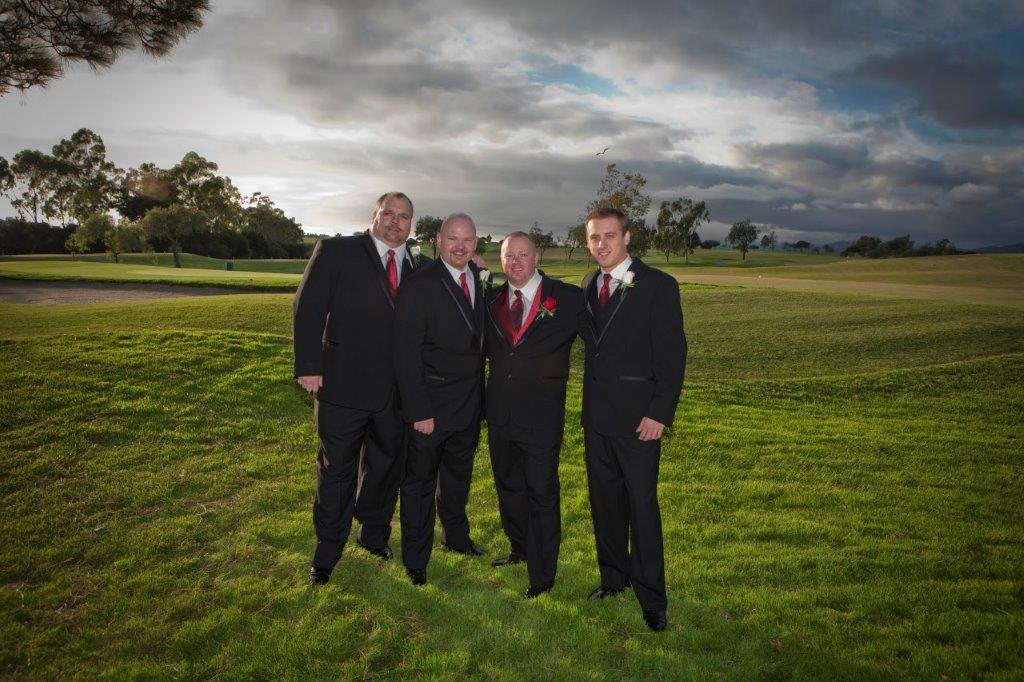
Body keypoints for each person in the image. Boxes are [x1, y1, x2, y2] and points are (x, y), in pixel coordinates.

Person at [293, 191, 425, 585]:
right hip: (341, 388)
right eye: (389, 214)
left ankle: (373, 535)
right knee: (337, 473)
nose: (395, 222)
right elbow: (308, 305)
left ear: (410, 225)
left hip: (394, 396)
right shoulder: (337, 251)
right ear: (374, 216)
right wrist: (308, 366)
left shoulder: (419, 267)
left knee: (385, 469)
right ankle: (327, 553)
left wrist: (473, 267)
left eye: (404, 217)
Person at [579, 207, 686, 632]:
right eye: (593, 237)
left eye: (609, 235)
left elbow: (673, 357)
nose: (601, 244)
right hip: (597, 418)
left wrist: (659, 412)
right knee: (605, 504)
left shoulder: (659, 286)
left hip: (640, 421)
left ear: (627, 237)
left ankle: (652, 596)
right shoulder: (588, 283)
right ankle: (613, 579)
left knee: (641, 508)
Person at [483, 231, 583, 598]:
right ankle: (519, 549)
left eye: (523, 255)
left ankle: (543, 575)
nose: (516, 262)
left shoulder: (567, 299)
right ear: (501, 260)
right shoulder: (490, 299)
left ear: (536, 257)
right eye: (509, 256)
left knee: (541, 492)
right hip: (500, 414)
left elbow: (604, 340)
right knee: (509, 487)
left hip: (542, 416)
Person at [394, 212, 488, 586]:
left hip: (469, 405)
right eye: (453, 239)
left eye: (467, 240)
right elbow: (405, 353)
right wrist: (418, 409)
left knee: (457, 478)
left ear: (476, 243)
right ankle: (416, 558)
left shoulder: (480, 279)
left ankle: (456, 538)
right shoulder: (420, 284)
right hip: (430, 409)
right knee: (418, 484)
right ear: (438, 239)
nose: (460, 246)